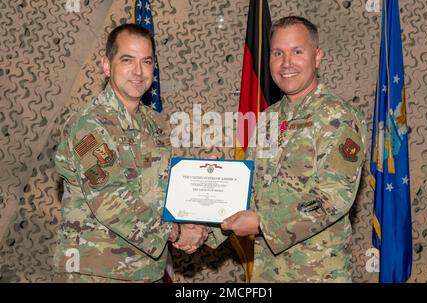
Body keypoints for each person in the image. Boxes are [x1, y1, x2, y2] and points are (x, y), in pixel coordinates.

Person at [53, 24, 209, 282]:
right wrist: (177, 233)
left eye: (146, 62)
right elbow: (111, 200)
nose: (138, 71)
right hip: (97, 272)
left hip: (146, 271)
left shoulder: (156, 124)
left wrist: (203, 182)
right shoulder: (90, 124)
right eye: (127, 60)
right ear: (106, 65)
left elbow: (166, 189)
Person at [222, 16, 368, 282]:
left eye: (297, 52)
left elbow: (333, 197)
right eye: (278, 53)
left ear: (317, 56)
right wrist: (203, 228)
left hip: (317, 273)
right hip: (267, 272)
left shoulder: (337, 117)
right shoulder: (268, 118)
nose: (286, 63)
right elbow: (249, 189)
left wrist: (262, 223)